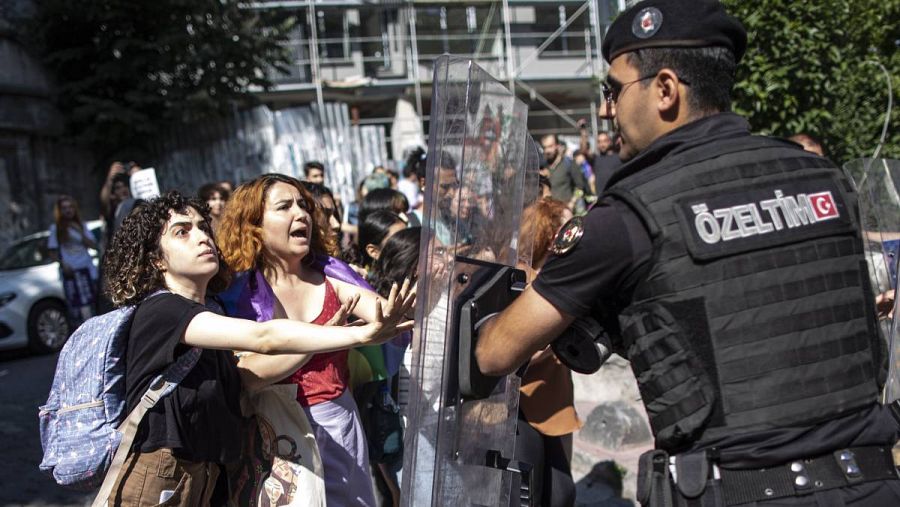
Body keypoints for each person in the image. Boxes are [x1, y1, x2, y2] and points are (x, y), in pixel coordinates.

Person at [476, 1, 900, 506]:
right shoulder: (824, 180)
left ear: (665, 90)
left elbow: (495, 351)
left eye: (612, 91)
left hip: (742, 490)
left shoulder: (629, 213)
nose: (608, 109)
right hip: (871, 480)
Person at [102, 190, 414, 506]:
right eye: (182, 232)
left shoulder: (210, 308)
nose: (201, 237)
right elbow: (264, 337)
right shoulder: (163, 311)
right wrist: (357, 337)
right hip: (158, 483)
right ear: (156, 258)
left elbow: (245, 379)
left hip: (200, 478)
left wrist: (321, 343)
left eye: (202, 227)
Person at [217, 173, 410, 506]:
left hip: (339, 422)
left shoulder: (331, 275)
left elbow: (381, 313)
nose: (301, 214)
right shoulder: (237, 296)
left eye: (303, 205)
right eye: (284, 206)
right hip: (275, 429)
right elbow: (246, 376)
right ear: (254, 225)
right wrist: (324, 336)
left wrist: (404, 305)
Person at [514, 198, 580, 507]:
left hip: (554, 398)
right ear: (549, 234)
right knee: (538, 494)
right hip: (524, 405)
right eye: (568, 225)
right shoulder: (521, 280)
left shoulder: (560, 276)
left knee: (562, 492)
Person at [47, 195, 99, 324]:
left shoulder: (81, 225)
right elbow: (52, 252)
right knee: (77, 312)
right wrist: (63, 264)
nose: (68, 210)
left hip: (87, 271)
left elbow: (93, 245)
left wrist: (79, 232)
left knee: (91, 309)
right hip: (71, 274)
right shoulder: (56, 229)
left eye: (70, 207)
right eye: (64, 208)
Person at [540, 134, 593, 209]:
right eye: (544, 147)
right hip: (549, 212)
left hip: (566, 211)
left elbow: (580, 187)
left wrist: (572, 203)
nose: (547, 150)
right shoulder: (542, 166)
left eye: (550, 146)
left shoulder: (569, 164)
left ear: (557, 146)